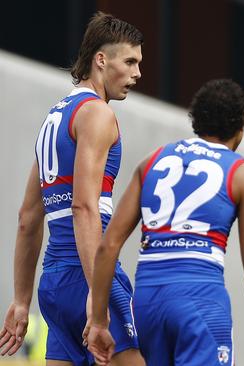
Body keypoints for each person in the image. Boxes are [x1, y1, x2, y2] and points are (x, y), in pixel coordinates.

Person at [85, 79, 244, 366]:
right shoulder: (243, 174)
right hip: (200, 300)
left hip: (148, 302)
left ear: (195, 119)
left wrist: (98, 321)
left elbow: (108, 247)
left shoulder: (152, 161)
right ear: (241, 125)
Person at [0, 12, 145, 366]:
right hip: (89, 274)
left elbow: (27, 217)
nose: (137, 73)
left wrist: (21, 300)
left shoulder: (54, 118)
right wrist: (98, 298)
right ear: (101, 60)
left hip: (54, 282)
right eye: (130, 61)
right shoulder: (97, 114)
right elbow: (84, 206)